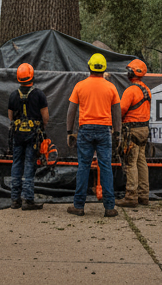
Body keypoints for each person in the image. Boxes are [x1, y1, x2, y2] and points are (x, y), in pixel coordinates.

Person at [66, 52, 122, 217]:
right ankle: (109, 207)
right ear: (104, 68)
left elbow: (71, 111)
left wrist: (70, 132)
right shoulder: (111, 87)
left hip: (85, 129)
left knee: (83, 167)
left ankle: (79, 206)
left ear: (89, 66)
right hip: (105, 130)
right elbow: (117, 112)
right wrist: (117, 133)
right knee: (105, 167)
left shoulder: (80, 86)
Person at [7, 62, 50, 211]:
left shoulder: (13, 95)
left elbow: (10, 117)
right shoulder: (39, 95)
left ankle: (14, 200)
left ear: (18, 78)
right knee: (29, 166)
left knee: (17, 164)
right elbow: (45, 117)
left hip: (18, 136)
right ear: (32, 76)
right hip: (33, 137)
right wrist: (40, 129)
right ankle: (28, 200)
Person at [116, 58, 152, 208]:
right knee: (141, 161)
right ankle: (144, 195)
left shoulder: (130, 90)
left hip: (132, 130)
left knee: (131, 163)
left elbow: (121, 111)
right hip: (144, 129)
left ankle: (131, 196)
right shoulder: (146, 90)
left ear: (132, 72)